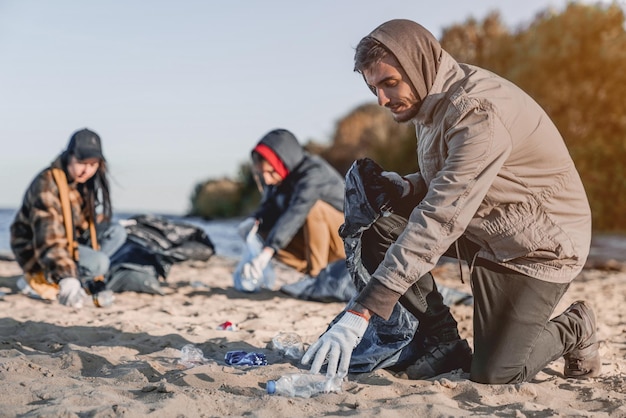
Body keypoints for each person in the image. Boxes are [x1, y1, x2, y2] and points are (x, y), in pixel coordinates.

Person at [302, 19, 600, 384]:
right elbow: (447, 180)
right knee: (377, 222)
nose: (381, 100)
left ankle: (576, 326)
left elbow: (442, 216)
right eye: (373, 87)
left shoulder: (476, 112)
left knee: (496, 374)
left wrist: (364, 308)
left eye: (389, 84)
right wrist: (408, 187)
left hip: (539, 245)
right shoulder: (426, 100)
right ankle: (442, 343)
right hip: (487, 221)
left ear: (417, 64)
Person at [11, 128, 127, 308]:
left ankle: (82, 278)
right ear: (69, 156)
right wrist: (66, 276)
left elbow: (76, 224)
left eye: (93, 164)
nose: (86, 170)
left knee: (116, 231)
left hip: (69, 241)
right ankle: (41, 278)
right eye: (81, 162)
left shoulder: (82, 184)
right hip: (36, 249)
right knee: (99, 263)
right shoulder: (47, 183)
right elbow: (49, 235)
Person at [238, 128, 346, 282]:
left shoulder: (313, 173)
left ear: (283, 162)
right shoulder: (278, 180)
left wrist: (268, 251)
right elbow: (270, 208)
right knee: (263, 231)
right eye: (263, 174)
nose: (267, 180)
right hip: (319, 246)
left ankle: (317, 276)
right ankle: (310, 272)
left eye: (271, 172)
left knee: (313, 208)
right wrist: (254, 220)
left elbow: (297, 211)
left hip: (347, 240)